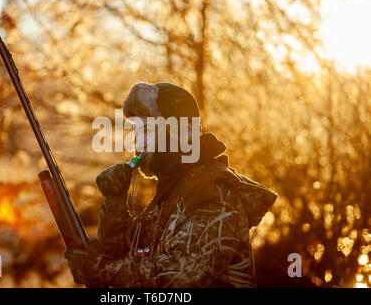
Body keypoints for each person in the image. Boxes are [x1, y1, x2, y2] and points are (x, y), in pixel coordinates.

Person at [65, 82, 277, 287]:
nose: (137, 143)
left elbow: (182, 274)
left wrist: (101, 270)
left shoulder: (213, 193)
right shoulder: (172, 191)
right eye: (136, 132)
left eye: (147, 131)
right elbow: (121, 252)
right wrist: (114, 202)